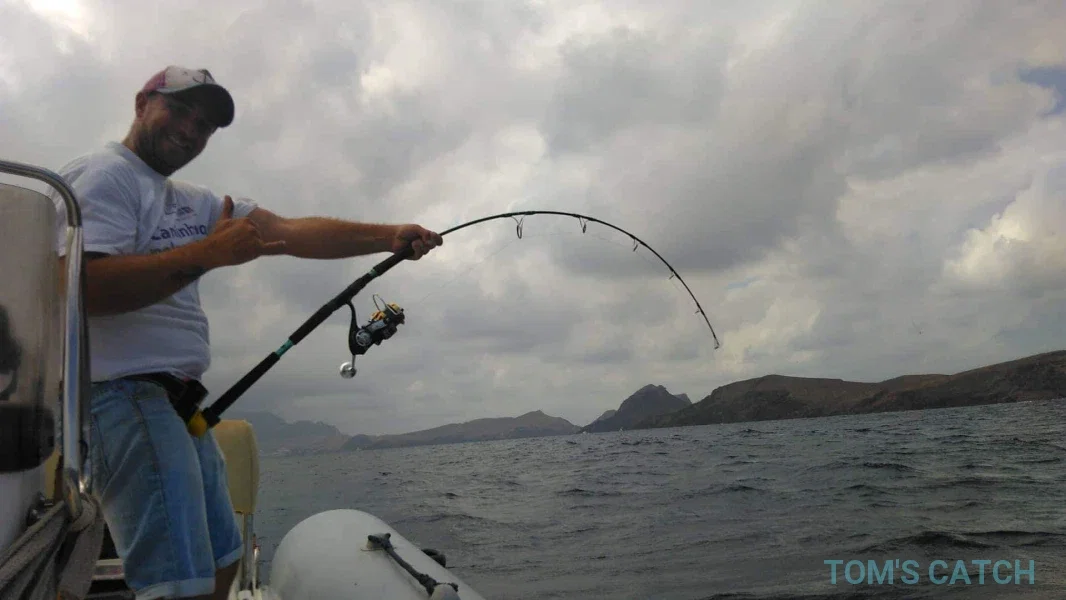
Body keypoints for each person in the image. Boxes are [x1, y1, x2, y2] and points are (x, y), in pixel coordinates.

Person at [50, 66, 443, 600]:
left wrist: (388, 236)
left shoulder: (196, 202)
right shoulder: (105, 175)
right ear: (142, 104)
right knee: (178, 583)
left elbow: (291, 232)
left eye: (204, 124)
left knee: (222, 561)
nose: (190, 129)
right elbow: (84, 288)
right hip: (119, 395)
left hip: (175, 405)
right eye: (179, 110)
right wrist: (206, 255)